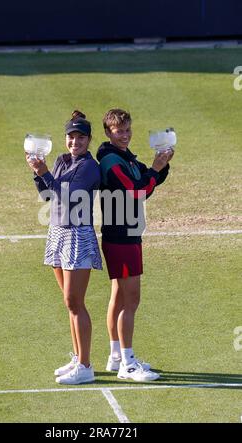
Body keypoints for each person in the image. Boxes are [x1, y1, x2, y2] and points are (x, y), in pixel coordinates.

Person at [96, 108, 174, 382]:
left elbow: (147, 181)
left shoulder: (124, 158)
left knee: (118, 295)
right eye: (120, 131)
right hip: (122, 237)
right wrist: (155, 168)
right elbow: (138, 190)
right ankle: (127, 364)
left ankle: (116, 356)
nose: (126, 135)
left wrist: (162, 164)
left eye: (128, 130)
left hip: (125, 234)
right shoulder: (111, 161)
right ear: (108, 132)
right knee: (131, 300)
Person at [25, 110, 102, 385]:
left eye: (81, 137)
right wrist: (38, 173)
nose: (75, 142)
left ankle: (86, 366)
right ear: (65, 138)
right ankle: (78, 357)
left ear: (89, 139)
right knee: (69, 303)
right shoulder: (60, 160)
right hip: (57, 232)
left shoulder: (89, 167)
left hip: (78, 236)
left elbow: (69, 198)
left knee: (75, 301)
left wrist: (44, 172)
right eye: (71, 136)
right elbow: (48, 195)